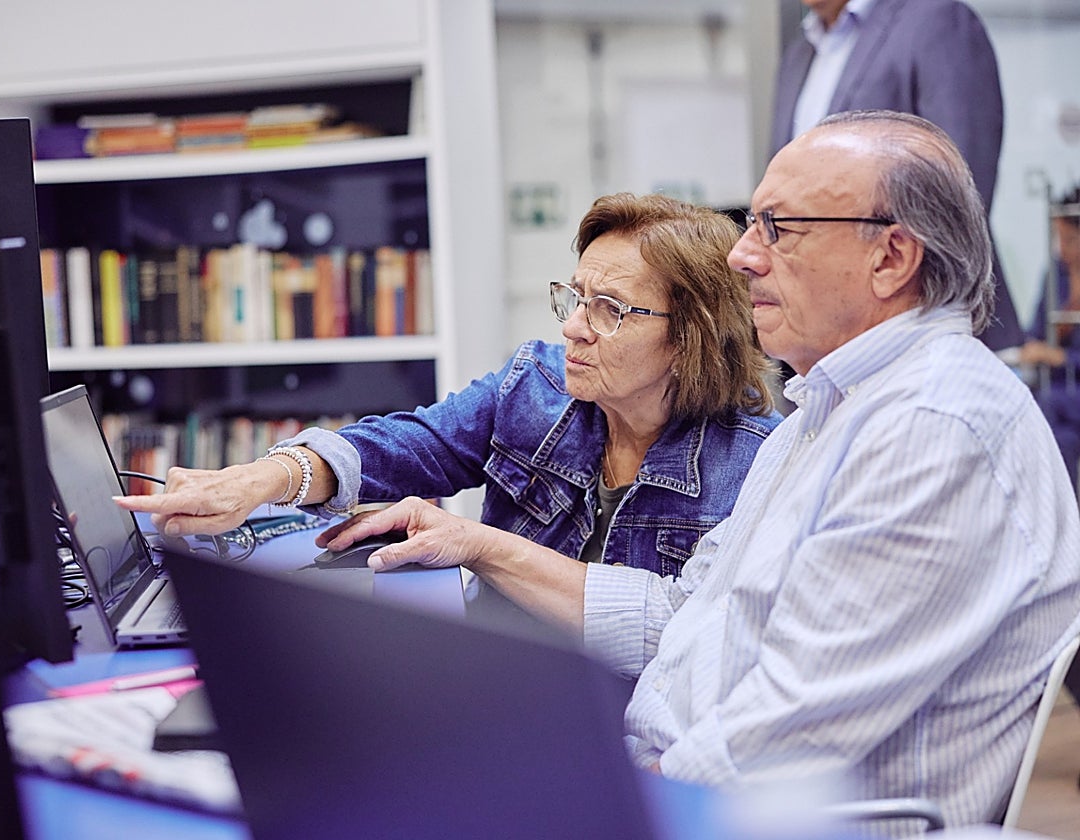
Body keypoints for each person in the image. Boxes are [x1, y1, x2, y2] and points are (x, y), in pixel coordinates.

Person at [307, 111, 1080, 832]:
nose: (745, 255)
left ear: (891, 257)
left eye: (780, 229)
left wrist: (619, 794)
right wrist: (481, 549)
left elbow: (793, 725)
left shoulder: (932, 429)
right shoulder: (829, 414)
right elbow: (691, 617)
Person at [117, 193, 782, 579]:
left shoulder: (758, 466)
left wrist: (477, 546)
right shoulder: (537, 386)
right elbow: (403, 446)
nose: (574, 328)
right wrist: (266, 479)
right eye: (574, 298)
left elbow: (687, 645)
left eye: (608, 309)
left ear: (690, 335)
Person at [770, 0, 1023, 353]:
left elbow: (958, 194)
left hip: (920, 330)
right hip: (822, 330)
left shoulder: (936, 21)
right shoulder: (800, 54)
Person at [1014, 184, 1080, 491]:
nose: (1061, 247)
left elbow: (1055, 353)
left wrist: (1064, 357)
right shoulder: (1056, 274)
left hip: (1065, 393)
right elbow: (1036, 331)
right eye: (1058, 238)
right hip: (1060, 394)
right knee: (1054, 434)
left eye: (1069, 239)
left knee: (1048, 406)